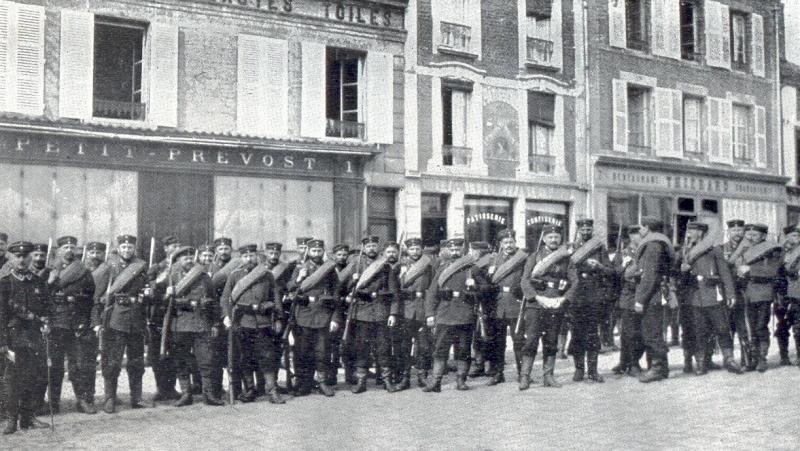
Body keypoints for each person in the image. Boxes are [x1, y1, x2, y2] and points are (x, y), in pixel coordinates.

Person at [221, 244, 285, 404]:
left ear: (257, 256)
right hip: (242, 322)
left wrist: (277, 318)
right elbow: (225, 298)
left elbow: (276, 298)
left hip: (263, 323)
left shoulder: (266, 275)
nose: (249, 259)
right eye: (245, 256)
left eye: (252, 256)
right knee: (245, 357)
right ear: (241, 258)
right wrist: (226, 316)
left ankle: (272, 390)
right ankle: (250, 389)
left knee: (267, 357)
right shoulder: (234, 275)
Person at [677, 222, 742, 375]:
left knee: (722, 328)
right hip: (694, 297)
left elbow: (725, 273)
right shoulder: (685, 251)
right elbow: (677, 274)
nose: (689, 234)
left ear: (700, 233)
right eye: (688, 231)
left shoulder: (714, 250)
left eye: (692, 231)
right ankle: (701, 362)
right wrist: (682, 270)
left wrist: (731, 294)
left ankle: (729, 359)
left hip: (713, 295)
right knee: (700, 331)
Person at [162, 246, 223, 406]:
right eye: (185, 258)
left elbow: (214, 302)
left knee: (206, 360)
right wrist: (171, 295)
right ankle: (186, 394)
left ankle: (208, 395)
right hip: (179, 325)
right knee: (180, 360)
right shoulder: (172, 277)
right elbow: (164, 302)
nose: (188, 261)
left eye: (190, 258)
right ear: (179, 261)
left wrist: (215, 323)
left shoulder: (204, 277)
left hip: (202, 324)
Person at [0, 242, 50, 434]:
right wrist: (3, 342)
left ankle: (28, 418)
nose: (22, 260)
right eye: (17, 256)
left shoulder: (38, 283)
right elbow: (1, 315)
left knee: (33, 378)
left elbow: (46, 308)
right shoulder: (4, 283)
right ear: (11, 258)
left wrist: (46, 322)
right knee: (13, 379)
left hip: (34, 337)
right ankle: (12, 419)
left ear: (31, 258)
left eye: (25, 256)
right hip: (14, 338)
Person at [422, 238, 483, 392]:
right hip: (445, 313)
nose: (455, 253)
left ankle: (461, 380)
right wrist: (430, 314)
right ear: (447, 251)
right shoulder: (442, 268)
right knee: (441, 349)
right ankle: (436, 382)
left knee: (463, 349)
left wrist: (475, 286)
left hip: (465, 314)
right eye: (452, 250)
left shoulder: (472, 269)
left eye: (458, 249)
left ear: (463, 250)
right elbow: (431, 293)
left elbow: (486, 288)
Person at [97, 235, 150, 413]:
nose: (127, 250)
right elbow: (99, 295)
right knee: (112, 361)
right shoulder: (109, 267)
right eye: (124, 247)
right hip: (115, 320)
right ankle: (110, 398)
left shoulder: (141, 266)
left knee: (136, 361)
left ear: (134, 249)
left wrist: (149, 290)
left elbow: (147, 286)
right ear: (118, 248)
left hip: (136, 319)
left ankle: (137, 398)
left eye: (130, 247)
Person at [44, 236, 97, 414]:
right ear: (58, 250)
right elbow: (41, 296)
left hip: (75, 322)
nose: (69, 250)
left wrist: (85, 321)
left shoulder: (83, 271)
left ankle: (81, 400)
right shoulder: (49, 269)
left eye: (72, 247)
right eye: (65, 247)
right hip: (56, 323)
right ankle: (53, 403)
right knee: (55, 365)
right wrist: (50, 282)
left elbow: (90, 297)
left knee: (77, 364)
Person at [519, 225, 576, 389]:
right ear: (544, 239)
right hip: (536, 304)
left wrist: (563, 299)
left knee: (551, 341)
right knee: (531, 341)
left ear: (560, 239)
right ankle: (525, 376)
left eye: (556, 237)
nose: (553, 240)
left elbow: (575, 282)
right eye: (550, 237)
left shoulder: (566, 259)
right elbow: (524, 280)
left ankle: (548, 376)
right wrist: (536, 297)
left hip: (556, 303)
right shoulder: (534, 257)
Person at [345, 236, 400, 394]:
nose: (371, 249)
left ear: (378, 248)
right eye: (368, 246)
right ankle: (361, 381)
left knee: (383, 347)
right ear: (364, 248)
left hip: (381, 310)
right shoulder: (356, 265)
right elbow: (344, 287)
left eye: (374, 246)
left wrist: (393, 313)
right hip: (362, 311)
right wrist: (353, 282)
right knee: (361, 346)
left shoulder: (385, 266)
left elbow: (394, 293)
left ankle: (386, 380)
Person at [286, 239, 341, 397]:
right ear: (308, 252)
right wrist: (299, 279)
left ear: (323, 251)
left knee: (322, 351)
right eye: (313, 251)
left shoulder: (329, 270)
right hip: (303, 315)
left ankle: (322, 382)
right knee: (303, 351)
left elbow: (336, 295)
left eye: (319, 251)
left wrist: (335, 318)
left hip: (323, 314)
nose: (316, 254)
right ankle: (305, 383)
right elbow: (289, 288)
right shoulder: (300, 268)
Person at [567, 219, 612, 383]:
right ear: (578, 231)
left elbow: (610, 271)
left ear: (592, 230)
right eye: (583, 230)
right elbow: (567, 269)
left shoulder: (599, 248)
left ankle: (593, 371)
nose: (586, 232)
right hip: (577, 295)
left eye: (588, 229)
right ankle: (579, 370)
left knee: (593, 334)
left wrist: (599, 266)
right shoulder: (571, 248)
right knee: (577, 333)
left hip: (594, 295)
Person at [737, 223, 783, 372]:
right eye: (749, 235)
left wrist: (750, 269)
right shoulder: (744, 249)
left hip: (763, 292)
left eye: (755, 235)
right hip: (748, 293)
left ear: (763, 236)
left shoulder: (772, 250)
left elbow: (772, 270)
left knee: (760, 326)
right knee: (750, 328)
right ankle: (754, 358)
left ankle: (762, 359)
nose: (750, 237)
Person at [633, 218, 674, 383]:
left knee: (652, 333)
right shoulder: (659, 243)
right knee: (653, 332)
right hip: (656, 293)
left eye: (641, 227)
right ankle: (661, 368)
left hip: (652, 295)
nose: (640, 231)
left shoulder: (652, 245)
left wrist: (640, 299)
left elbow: (649, 275)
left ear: (648, 228)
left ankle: (657, 368)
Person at [484, 229, 528, 386]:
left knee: (518, 341)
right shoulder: (494, 259)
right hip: (497, 304)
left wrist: (522, 290)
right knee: (498, 341)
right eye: (505, 243)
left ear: (515, 242)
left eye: (511, 242)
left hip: (516, 303)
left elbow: (529, 277)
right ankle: (498, 373)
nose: (509, 245)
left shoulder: (523, 258)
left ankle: (522, 373)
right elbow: (484, 277)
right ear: (501, 244)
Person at [396, 238, 435, 389]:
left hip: (422, 308)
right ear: (407, 250)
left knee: (424, 345)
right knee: (405, 345)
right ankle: (405, 378)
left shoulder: (428, 266)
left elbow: (432, 289)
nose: (415, 252)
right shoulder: (401, 266)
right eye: (412, 249)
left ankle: (422, 376)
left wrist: (430, 312)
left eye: (418, 249)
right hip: (405, 309)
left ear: (422, 249)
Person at [147, 236, 181, 402]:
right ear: (166, 249)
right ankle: (161, 388)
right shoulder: (156, 267)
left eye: (177, 246)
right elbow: (149, 288)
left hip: (176, 314)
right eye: (173, 246)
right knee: (157, 353)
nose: (176, 248)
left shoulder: (183, 268)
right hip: (158, 315)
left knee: (173, 352)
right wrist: (162, 278)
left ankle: (172, 388)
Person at [610, 227, 645, 376]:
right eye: (637, 235)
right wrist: (624, 266)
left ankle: (628, 361)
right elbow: (613, 274)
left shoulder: (645, 251)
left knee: (637, 332)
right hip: (628, 296)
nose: (640, 237)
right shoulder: (622, 254)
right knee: (629, 332)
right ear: (631, 236)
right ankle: (631, 363)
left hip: (643, 295)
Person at [330, 244, 354, 385]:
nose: (342, 257)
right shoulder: (329, 269)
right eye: (339, 255)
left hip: (347, 309)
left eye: (344, 255)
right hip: (333, 309)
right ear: (334, 255)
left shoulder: (352, 269)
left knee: (348, 343)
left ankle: (349, 375)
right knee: (332, 344)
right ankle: (331, 375)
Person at [776, 225, 799, 366]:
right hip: (781, 293)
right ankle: (784, 356)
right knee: (782, 326)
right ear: (786, 237)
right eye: (792, 236)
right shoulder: (780, 252)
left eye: (797, 236)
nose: (795, 239)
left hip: (797, 292)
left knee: (798, 325)